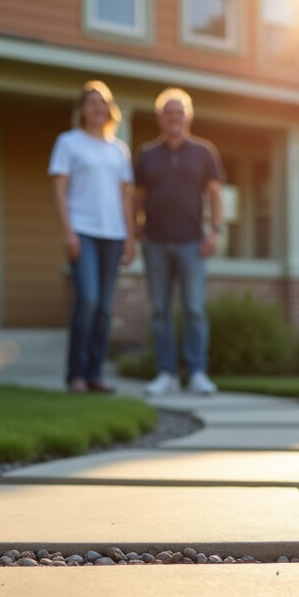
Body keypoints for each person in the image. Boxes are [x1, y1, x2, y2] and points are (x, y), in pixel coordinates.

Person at [133, 88, 223, 396]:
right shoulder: (147, 154)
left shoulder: (204, 152)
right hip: (155, 242)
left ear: (188, 117)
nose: (174, 117)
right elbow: (138, 197)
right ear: (160, 118)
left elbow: (214, 193)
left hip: (191, 244)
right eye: (168, 112)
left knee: (194, 309)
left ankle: (197, 373)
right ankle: (166, 374)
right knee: (160, 310)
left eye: (179, 112)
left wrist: (215, 230)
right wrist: (136, 228)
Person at [48, 80, 136, 394]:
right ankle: (76, 375)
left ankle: (95, 373)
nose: (98, 108)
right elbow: (59, 189)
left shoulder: (119, 149)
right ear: (82, 110)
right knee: (87, 299)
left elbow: (125, 197)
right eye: (92, 103)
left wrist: (130, 237)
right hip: (82, 232)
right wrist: (68, 232)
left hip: (113, 235)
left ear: (110, 110)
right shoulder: (69, 142)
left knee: (104, 308)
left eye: (103, 103)